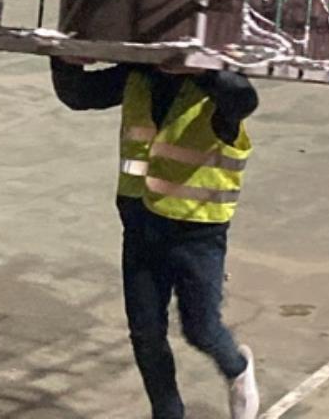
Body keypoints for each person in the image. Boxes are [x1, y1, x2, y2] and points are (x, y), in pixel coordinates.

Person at [51, 59, 260, 419]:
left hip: (196, 231)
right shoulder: (137, 74)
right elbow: (79, 94)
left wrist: (200, 67)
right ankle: (167, 412)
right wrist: (63, 58)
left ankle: (237, 368)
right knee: (146, 333)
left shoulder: (214, 91)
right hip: (140, 224)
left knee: (201, 329)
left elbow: (243, 99)